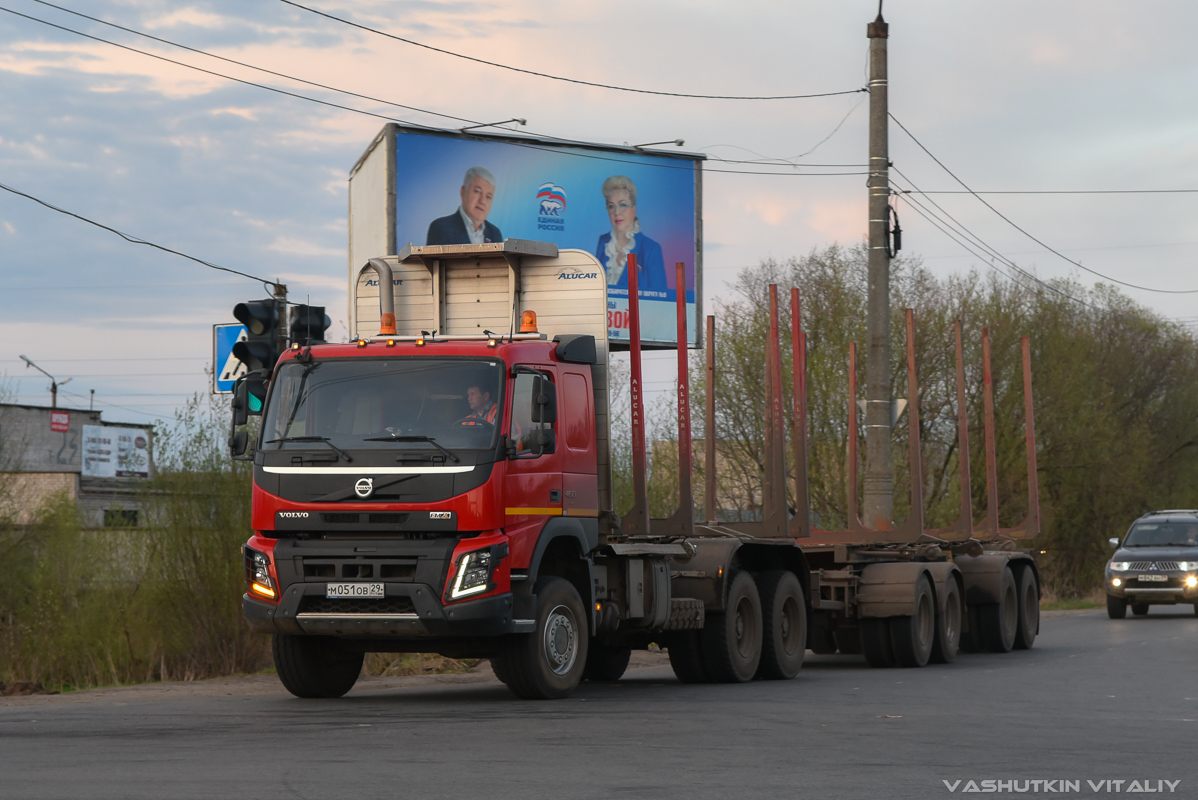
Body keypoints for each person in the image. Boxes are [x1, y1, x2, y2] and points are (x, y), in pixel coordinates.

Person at [594, 175, 667, 293]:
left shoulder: (650, 249)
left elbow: (660, 299)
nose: (617, 212)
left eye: (622, 205)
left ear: (634, 209)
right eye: (611, 206)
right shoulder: (603, 242)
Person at [426, 166, 503, 246]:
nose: (482, 201)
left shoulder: (495, 234)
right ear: (463, 192)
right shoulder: (441, 228)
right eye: (477, 191)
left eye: (488, 197)